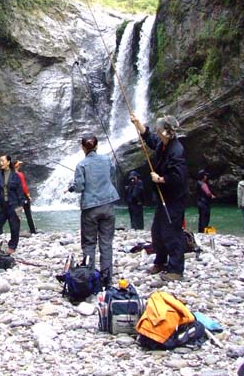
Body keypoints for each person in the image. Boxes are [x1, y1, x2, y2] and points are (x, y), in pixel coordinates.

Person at [130, 114, 188, 282]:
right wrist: (138, 124)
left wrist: (161, 179)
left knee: (172, 232)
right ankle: (161, 262)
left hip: (174, 198)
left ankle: (176, 270)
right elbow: (151, 140)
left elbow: (180, 177)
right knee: (157, 231)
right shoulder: (163, 144)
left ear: (164, 130)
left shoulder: (176, 150)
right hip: (164, 197)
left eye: (158, 128)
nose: (156, 130)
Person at [67, 133, 119, 288]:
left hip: (90, 208)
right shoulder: (107, 160)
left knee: (89, 243)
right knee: (106, 243)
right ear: (97, 146)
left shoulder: (81, 165)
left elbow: (79, 186)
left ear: (83, 147)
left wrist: (71, 187)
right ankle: (107, 279)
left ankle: (89, 277)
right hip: (108, 205)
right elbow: (111, 173)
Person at [0, 155, 25, 254]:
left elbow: (19, 191)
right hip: (1, 205)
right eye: (0, 161)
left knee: (14, 226)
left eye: (2, 161)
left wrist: (21, 205)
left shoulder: (15, 176)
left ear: (8, 162)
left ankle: (12, 246)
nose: (0, 163)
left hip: (13, 205)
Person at [14, 160, 37, 234]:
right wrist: (28, 195)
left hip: (15, 196)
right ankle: (33, 230)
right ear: (16, 166)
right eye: (18, 164)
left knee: (17, 214)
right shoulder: (20, 174)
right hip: (23, 196)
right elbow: (24, 186)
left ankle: (16, 231)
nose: (19, 166)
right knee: (28, 214)